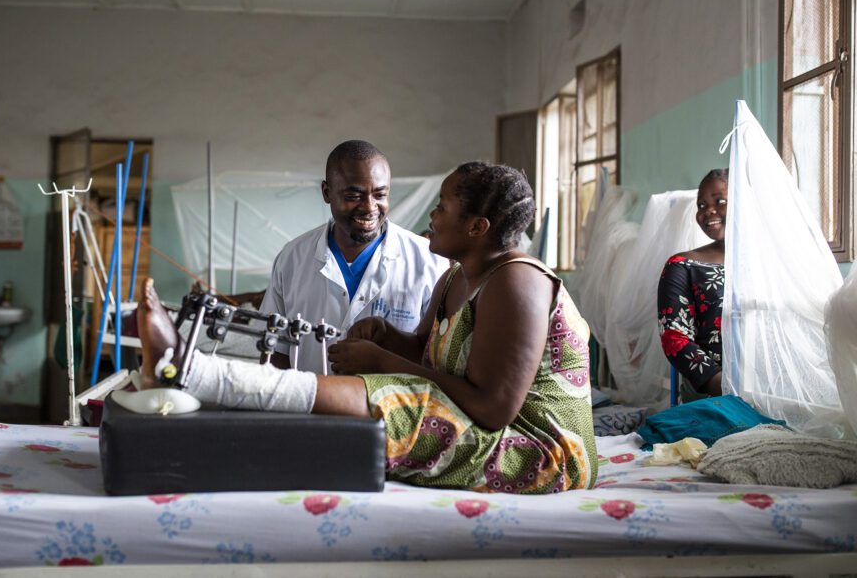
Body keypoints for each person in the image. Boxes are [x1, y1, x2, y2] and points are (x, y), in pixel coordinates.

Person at [138, 162, 597, 494]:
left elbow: (494, 408)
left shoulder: (517, 283)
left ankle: (189, 369)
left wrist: (383, 361)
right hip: (488, 424)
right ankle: (186, 371)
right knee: (394, 391)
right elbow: (423, 353)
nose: (431, 217)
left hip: (537, 450)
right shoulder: (456, 277)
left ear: (477, 227)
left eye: (442, 207)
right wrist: (386, 335)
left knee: (400, 401)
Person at [258, 140, 448, 373]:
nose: (369, 207)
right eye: (353, 196)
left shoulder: (428, 260)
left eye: (380, 195)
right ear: (327, 193)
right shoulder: (293, 258)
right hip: (307, 406)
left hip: (394, 408)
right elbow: (274, 350)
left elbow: (440, 357)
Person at [657, 168, 728, 397]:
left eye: (720, 201)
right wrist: (725, 388)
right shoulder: (682, 266)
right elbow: (675, 338)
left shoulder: (770, 265)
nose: (708, 211)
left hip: (773, 392)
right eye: (701, 205)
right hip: (714, 394)